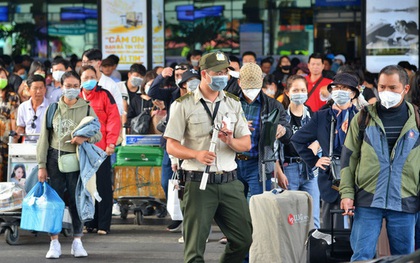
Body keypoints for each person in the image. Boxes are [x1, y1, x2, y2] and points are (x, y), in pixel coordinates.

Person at [164, 51, 252, 263]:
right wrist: (196, 154)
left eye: (225, 72)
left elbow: (246, 144)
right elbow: (171, 146)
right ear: (204, 74)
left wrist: (230, 140)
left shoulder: (233, 103)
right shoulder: (183, 104)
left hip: (230, 182)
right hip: (198, 183)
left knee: (243, 240)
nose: (223, 76)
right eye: (218, 72)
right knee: (195, 249)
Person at [340, 65, 419, 261]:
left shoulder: (417, 120)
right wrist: (347, 193)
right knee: (361, 256)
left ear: (405, 89)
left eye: (392, 88)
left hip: (405, 199)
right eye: (382, 87)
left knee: (404, 258)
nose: (386, 92)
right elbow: (348, 159)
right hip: (368, 198)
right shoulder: (363, 117)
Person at [37, 71, 102, 259]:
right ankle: (54, 242)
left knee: (77, 200)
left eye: (75, 86)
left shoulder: (87, 108)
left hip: (78, 160)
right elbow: (44, 139)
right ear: (61, 86)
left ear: (79, 86)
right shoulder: (53, 109)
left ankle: (77, 241)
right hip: (54, 159)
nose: (72, 89)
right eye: (68, 86)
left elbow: (98, 134)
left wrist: (85, 137)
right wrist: (42, 165)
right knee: (54, 202)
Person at [291, 72, 360, 229]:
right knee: (331, 228)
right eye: (336, 88)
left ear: (353, 93)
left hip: (356, 176)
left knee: (358, 226)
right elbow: (297, 139)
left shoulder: (361, 116)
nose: (339, 91)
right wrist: (315, 160)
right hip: (331, 177)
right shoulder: (321, 116)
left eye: (344, 88)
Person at [236, 62, 291, 196]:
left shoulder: (273, 105)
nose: (251, 90)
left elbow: (288, 133)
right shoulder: (231, 101)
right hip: (233, 162)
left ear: (261, 81)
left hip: (259, 163)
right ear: (239, 83)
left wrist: (282, 129)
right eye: (248, 86)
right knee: (234, 210)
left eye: (254, 85)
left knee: (259, 207)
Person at [78, 66, 121, 235]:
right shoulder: (76, 96)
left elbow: (113, 120)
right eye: (85, 77)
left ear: (97, 78)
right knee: (85, 186)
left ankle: (103, 224)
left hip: (101, 149)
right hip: (80, 149)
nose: (88, 80)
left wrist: (111, 143)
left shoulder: (105, 95)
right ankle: (89, 223)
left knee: (102, 186)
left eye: (91, 76)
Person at [147, 62, 190, 232]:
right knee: (168, 182)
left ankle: (189, 217)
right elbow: (152, 92)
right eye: (177, 75)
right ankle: (177, 215)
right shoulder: (171, 94)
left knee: (188, 183)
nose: (181, 78)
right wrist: (161, 76)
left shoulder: (200, 94)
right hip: (171, 143)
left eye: (183, 74)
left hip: (190, 144)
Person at [276, 75, 320, 228]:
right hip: (289, 168)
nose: (300, 93)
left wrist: (317, 143)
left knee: (313, 216)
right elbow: (274, 146)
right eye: (295, 90)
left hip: (310, 169)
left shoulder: (313, 116)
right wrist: (278, 171)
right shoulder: (282, 117)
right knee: (289, 217)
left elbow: (323, 137)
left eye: (303, 90)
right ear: (287, 92)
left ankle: (314, 250)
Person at [81, 48, 124, 116]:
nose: (86, 65)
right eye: (83, 62)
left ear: (99, 63)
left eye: (89, 62)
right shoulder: (78, 83)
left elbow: (119, 109)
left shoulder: (110, 84)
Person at [16, 74, 50, 143]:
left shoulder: (51, 106)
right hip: (28, 145)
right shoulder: (23, 107)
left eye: (41, 88)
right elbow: (21, 127)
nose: (38, 91)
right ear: (28, 90)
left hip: (46, 144)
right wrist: (17, 134)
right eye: (35, 88)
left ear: (45, 89)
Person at [0, 67, 20, 182]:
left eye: (2, 77)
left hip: (6, 139)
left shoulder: (13, 96)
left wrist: (14, 140)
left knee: (6, 170)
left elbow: (14, 118)